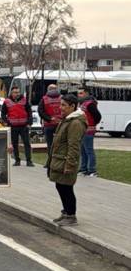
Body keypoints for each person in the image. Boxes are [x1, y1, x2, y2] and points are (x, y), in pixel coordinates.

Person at [49, 94, 87, 226]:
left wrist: (70, 165)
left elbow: (74, 145)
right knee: (60, 186)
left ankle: (71, 215)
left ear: (73, 106)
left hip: (66, 160)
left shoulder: (75, 122)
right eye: (61, 104)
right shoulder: (68, 120)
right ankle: (66, 212)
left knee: (66, 188)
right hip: (60, 159)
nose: (61, 108)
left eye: (64, 105)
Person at [1, 86, 34, 167]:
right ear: (11, 93)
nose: (17, 94)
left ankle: (29, 161)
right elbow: (3, 113)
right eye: (15, 92)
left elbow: (29, 112)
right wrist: (6, 122)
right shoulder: (6, 101)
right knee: (14, 144)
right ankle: (17, 160)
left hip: (24, 126)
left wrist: (29, 122)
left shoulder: (24, 100)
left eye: (18, 92)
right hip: (13, 126)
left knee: (27, 143)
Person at [77, 87, 101, 177]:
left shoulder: (90, 104)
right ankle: (83, 169)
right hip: (81, 130)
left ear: (86, 93)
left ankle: (92, 170)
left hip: (88, 130)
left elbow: (97, 116)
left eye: (81, 93)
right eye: (78, 93)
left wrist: (91, 124)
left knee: (89, 150)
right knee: (82, 151)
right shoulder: (82, 103)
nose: (79, 95)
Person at [37, 84, 63, 170]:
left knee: (50, 144)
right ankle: (59, 162)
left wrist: (49, 118)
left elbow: (40, 111)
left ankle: (50, 162)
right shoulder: (62, 98)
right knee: (60, 144)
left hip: (48, 125)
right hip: (60, 124)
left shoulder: (44, 99)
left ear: (48, 89)